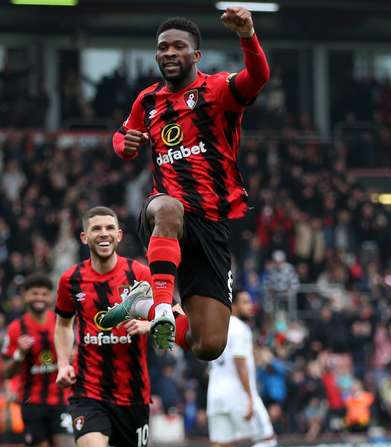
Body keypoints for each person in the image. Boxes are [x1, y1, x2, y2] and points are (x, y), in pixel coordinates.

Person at [104, 7, 270, 359]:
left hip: (211, 224)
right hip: (166, 215)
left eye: (178, 47)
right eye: (163, 47)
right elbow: (121, 136)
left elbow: (257, 77)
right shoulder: (147, 100)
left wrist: (247, 36)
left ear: (196, 55)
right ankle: (163, 306)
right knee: (168, 206)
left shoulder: (217, 90)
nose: (168, 53)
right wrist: (125, 146)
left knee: (207, 345)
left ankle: (145, 306)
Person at [54, 206, 153, 447]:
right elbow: (63, 323)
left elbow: (172, 312)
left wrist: (147, 323)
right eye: (96, 228)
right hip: (89, 392)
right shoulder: (71, 279)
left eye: (110, 227)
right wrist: (62, 361)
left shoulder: (140, 274)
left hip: (132, 395)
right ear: (85, 237)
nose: (103, 233)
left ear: (120, 233)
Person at [2, 272, 76, 447]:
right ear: (26, 297)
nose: (39, 298)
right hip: (31, 402)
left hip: (60, 400)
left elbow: (71, 356)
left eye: (44, 293)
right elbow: (7, 371)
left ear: (50, 297)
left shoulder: (61, 323)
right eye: (34, 293)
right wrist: (20, 354)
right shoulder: (15, 329)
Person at [206, 289, 276, 447]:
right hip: (237, 394)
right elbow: (240, 363)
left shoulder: (217, 325)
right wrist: (249, 396)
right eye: (245, 302)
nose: (250, 306)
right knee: (268, 441)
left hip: (215, 393)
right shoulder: (240, 328)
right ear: (233, 305)